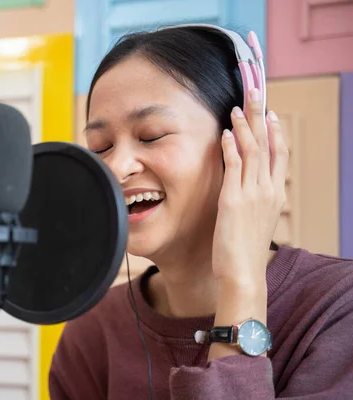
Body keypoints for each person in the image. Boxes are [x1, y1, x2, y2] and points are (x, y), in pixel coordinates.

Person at [48, 24, 353, 399]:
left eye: (152, 135)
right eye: (100, 147)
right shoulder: (91, 334)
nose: (116, 168)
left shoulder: (338, 309)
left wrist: (241, 283)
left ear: (244, 144)